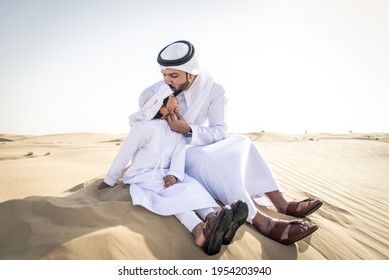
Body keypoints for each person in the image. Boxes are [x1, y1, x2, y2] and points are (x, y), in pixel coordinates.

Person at [137, 40, 323, 246]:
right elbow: (147, 131)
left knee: (242, 142)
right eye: (164, 74)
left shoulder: (214, 89)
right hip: (174, 151)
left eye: (173, 75)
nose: (167, 81)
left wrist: (189, 130)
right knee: (208, 159)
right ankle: (263, 222)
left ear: (191, 74)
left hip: (200, 138)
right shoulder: (153, 93)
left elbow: (219, 130)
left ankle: (281, 204)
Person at [97, 86, 249, 255]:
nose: (177, 98)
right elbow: (123, 155)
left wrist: (175, 174)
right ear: (161, 106)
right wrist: (110, 179)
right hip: (143, 175)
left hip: (168, 174)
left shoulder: (176, 129)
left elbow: (179, 155)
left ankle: (215, 218)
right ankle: (199, 231)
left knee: (192, 187)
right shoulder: (143, 128)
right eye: (172, 97)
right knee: (172, 197)